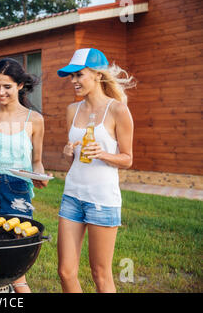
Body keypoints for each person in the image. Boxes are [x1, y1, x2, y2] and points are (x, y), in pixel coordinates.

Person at [0, 58, 51, 293]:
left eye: (7, 86)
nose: (0, 92)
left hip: (17, 190)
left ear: (20, 85)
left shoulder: (33, 120)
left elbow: (37, 161)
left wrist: (41, 176)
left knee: (15, 261)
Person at [56, 48, 135, 293]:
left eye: (79, 75)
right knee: (66, 271)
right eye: (71, 76)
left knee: (100, 274)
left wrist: (103, 154)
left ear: (98, 76)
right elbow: (74, 160)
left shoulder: (118, 110)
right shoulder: (73, 110)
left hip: (102, 200)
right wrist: (67, 153)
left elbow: (128, 159)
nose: (74, 81)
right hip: (72, 196)